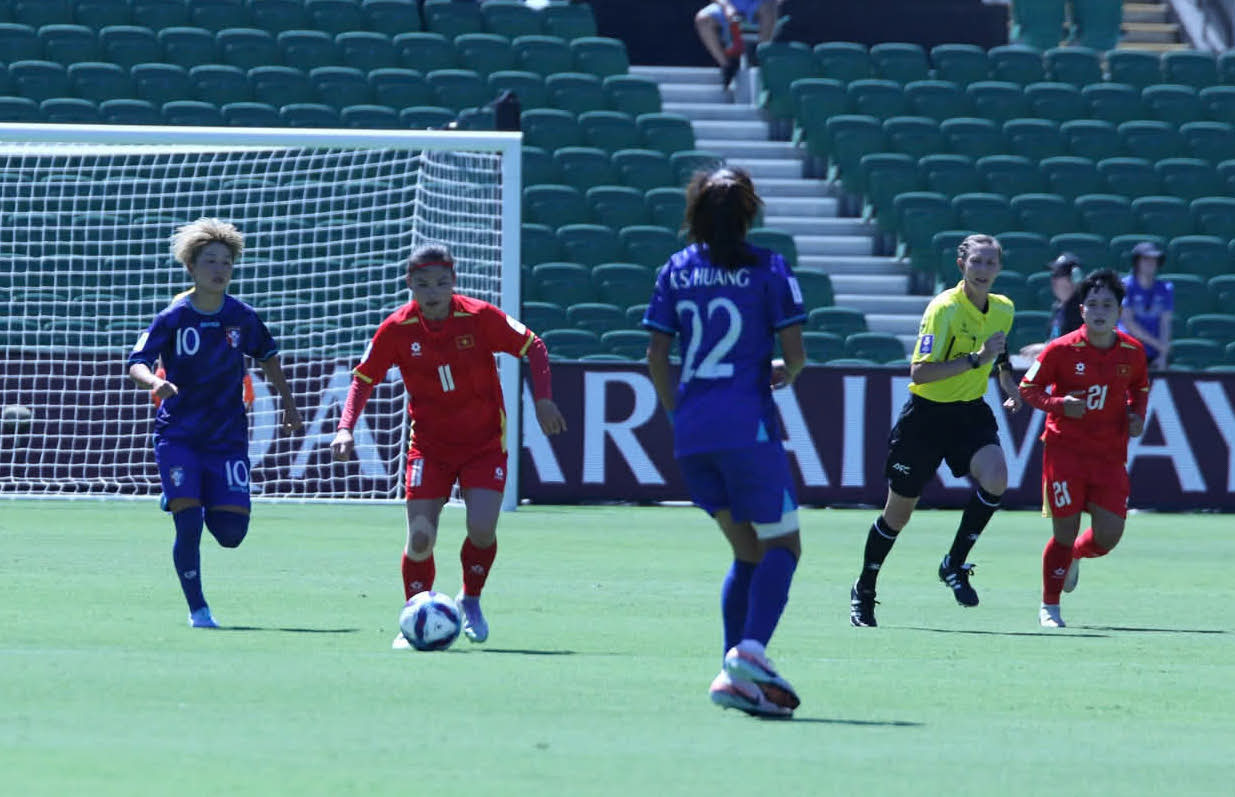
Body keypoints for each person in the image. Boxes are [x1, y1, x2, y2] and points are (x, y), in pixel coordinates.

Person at [330, 243, 567, 650]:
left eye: (441, 283)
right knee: (420, 539)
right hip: (430, 447)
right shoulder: (397, 329)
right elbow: (363, 378)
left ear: (453, 282)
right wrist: (345, 427)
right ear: (410, 286)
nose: (433, 292)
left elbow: (534, 346)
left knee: (481, 528)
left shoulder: (479, 317)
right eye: (423, 285)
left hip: (484, 444)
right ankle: (414, 616)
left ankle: (470, 599)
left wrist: (543, 398)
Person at [644, 167, 806, 718]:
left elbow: (656, 357)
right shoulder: (769, 268)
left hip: (693, 432)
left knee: (746, 551)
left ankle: (731, 676)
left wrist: (679, 413)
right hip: (747, 428)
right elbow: (797, 354)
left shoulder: (675, 269)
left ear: (694, 213)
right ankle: (752, 653)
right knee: (784, 546)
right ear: (749, 213)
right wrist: (783, 370)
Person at [128, 218, 303, 628]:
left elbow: (269, 357)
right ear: (191, 267)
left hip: (226, 439)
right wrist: (156, 381)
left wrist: (290, 406)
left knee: (230, 534)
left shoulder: (243, 317)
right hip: (179, 435)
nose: (219, 269)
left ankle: (182, 491)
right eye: (210, 261)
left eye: (226, 262)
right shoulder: (173, 316)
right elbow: (136, 362)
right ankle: (198, 609)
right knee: (188, 522)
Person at [850, 233, 1024, 628]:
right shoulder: (943, 309)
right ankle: (864, 590)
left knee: (997, 477)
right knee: (897, 516)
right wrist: (975, 360)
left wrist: (1009, 387)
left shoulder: (1003, 308)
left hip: (969, 413)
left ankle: (954, 563)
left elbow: (1000, 354)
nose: (983, 270)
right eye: (976, 261)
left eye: (990, 262)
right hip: (927, 418)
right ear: (961, 264)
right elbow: (920, 372)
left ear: (999, 267)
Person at [1019, 269, 1149, 628]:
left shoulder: (1133, 352)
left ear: (1119, 311)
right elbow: (1029, 388)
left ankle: (1076, 556)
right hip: (1065, 453)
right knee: (1064, 532)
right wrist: (1060, 404)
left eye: (1107, 304)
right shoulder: (1060, 349)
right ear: (1081, 310)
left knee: (1108, 537)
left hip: (1109, 456)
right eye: (1092, 304)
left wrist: (1137, 415)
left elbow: (1139, 388)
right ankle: (1050, 606)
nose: (1099, 311)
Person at [695, 0, 781, 88]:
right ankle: (727, 66)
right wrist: (726, 6)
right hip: (728, 5)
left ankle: (761, 57)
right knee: (702, 19)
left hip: (758, 4)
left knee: (770, 4)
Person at [1019, 252, 1084, 360]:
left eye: (1058, 275)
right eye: (1052, 275)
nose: (1053, 280)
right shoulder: (1057, 308)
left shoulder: (1084, 311)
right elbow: (1055, 338)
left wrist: (1045, 348)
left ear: (1074, 277)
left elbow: (1078, 346)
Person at [1119, 241, 1172, 371]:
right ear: (1137, 262)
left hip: (1153, 354)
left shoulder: (1166, 288)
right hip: (1127, 352)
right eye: (1146, 259)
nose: (1151, 262)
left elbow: (1165, 323)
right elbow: (1128, 323)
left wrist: (1163, 356)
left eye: (1154, 259)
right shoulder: (1125, 285)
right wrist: (1160, 345)